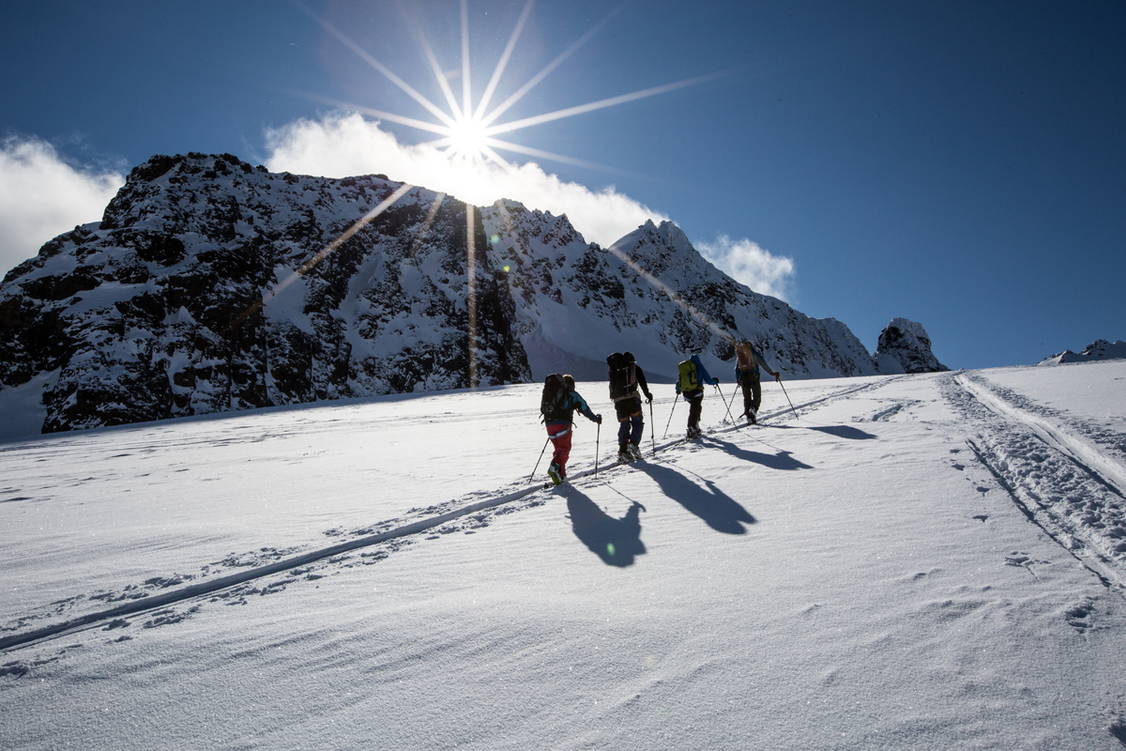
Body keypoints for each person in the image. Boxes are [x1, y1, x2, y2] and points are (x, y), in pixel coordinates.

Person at [541, 374, 602, 485]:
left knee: (559, 450)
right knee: (565, 449)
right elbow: (584, 408)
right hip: (563, 425)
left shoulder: (552, 393)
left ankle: (562, 476)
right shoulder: (571, 393)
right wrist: (595, 419)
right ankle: (554, 467)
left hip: (549, 425)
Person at [606, 351, 653, 462]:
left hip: (619, 402)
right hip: (633, 400)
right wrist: (648, 395)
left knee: (624, 425)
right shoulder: (634, 368)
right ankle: (633, 444)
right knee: (637, 423)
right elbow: (642, 383)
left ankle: (623, 451)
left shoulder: (613, 370)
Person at [734, 338, 780, 424]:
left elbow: (736, 369)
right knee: (757, 396)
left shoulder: (740, 356)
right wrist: (772, 373)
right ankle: (753, 410)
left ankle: (749, 417)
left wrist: (738, 379)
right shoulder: (754, 354)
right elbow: (763, 363)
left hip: (743, 378)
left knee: (747, 398)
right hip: (754, 377)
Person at [675, 354, 719, 439]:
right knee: (695, 409)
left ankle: (695, 426)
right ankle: (692, 427)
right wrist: (715, 381)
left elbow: (680, 381)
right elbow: (709, 381)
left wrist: (678, 390)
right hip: (697, 393)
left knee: (696, 408)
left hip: (686, 394)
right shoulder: (700, 367)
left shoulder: (686, 368)